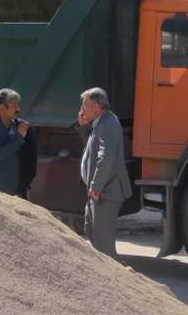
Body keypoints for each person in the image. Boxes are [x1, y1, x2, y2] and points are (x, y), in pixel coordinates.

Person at [79, 87, 132, 257]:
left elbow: (106, 157)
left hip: (105, 191)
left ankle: (111, 281)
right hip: (99, 190)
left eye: (85, 105)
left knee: (103, 247)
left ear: (96, 106)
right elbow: (92, 149)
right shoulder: (101, 122)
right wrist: (83, 127)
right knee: (91, 230)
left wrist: (95, 186)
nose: (81, 109)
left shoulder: (107, 123)